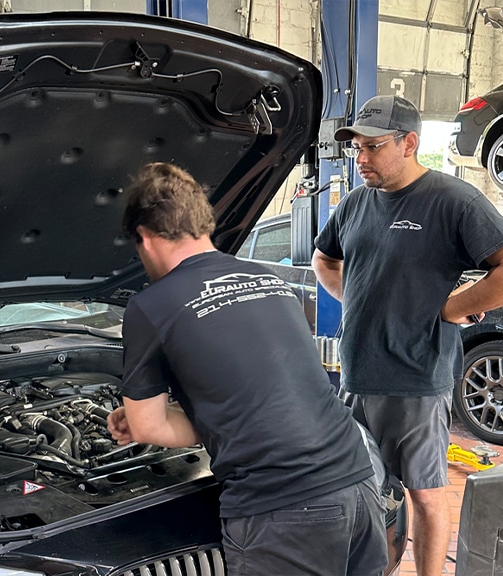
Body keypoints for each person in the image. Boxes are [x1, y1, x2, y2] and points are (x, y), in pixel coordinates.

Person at [107, 162, 388, 576]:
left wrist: (147, 416)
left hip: (285, 507)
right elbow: (270, 392)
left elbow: (147, 428)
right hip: (358, 482)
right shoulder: (268, 280)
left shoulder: (152, 305)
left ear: (145, 238)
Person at [311, 95, 503, 576]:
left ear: (409, 143)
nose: (360, 160)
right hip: (356, 375)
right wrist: (351, 297)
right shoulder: (356, 204)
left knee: (424, 491)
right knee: (364, 486)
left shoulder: (453, 200)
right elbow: (324, 259)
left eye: (372, 148)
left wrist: (454, 307)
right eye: (356, 148)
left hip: (415, 379)